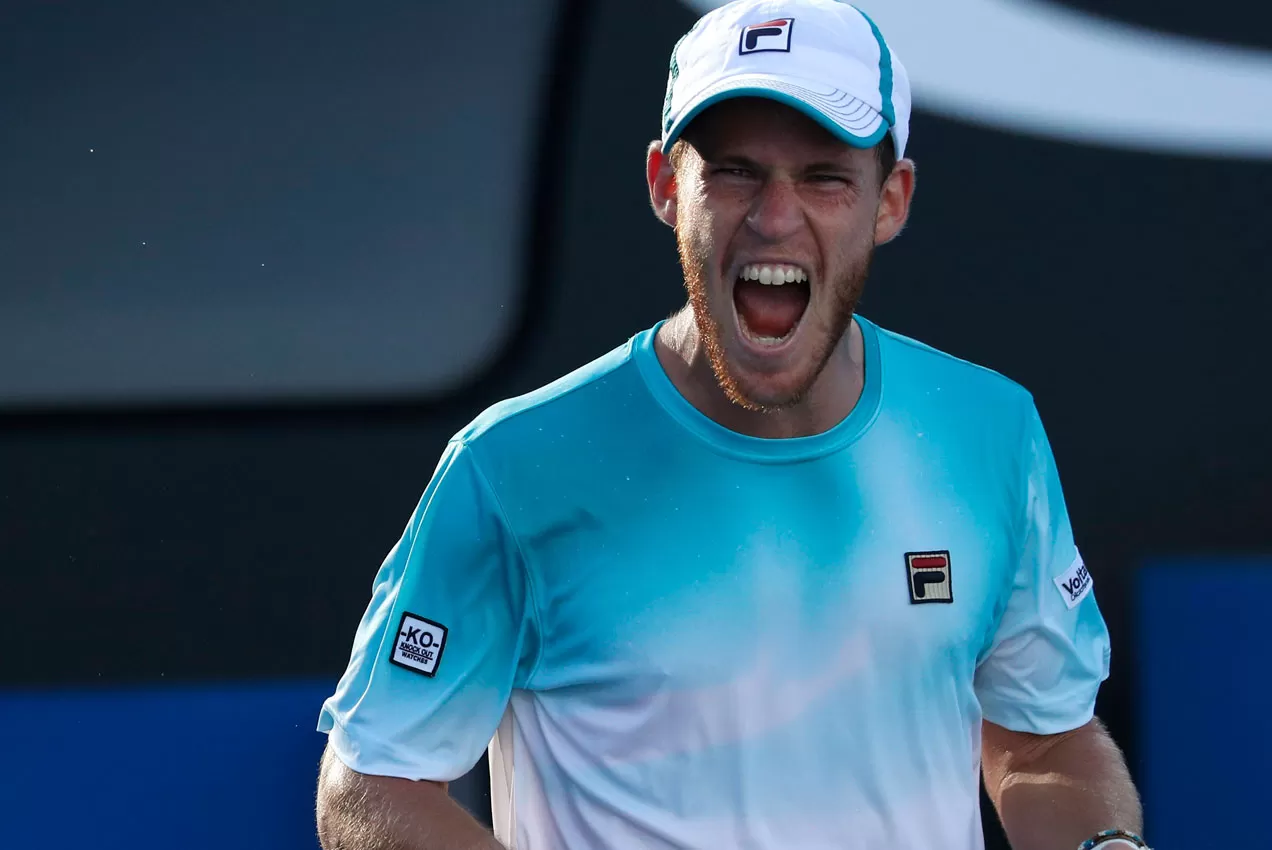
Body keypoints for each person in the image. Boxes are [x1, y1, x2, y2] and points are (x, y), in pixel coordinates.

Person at [313, 1, 1147, 848]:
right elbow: (372, 784)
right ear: (666, 186)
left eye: (824, 175)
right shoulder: (510, 466)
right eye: (736, 172)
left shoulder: (990, 432)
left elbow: (1042, 741)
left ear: (889, 202)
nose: (775, 218)